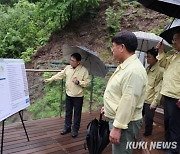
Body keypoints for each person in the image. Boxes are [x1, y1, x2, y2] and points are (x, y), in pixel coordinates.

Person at [101, 31, 148, 154]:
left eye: (113, 46)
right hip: (121, 120)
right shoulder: (126, 66)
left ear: (122, 47)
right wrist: (107, 106)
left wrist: (117, 128)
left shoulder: (133, 71)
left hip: (125, 124)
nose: (112, 49)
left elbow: (129, 101)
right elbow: (120, 93)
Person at [44, 53, 89, 138]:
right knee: (68, 112)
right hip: (69, 94)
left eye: (73, 60)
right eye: (70, 60)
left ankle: (75, 129)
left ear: (78, 62)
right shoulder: (68, 68)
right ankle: (67, 127)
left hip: (78, 96)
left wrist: (79, 82)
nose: (71, 62)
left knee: (77, 113)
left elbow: (86, 83)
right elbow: (60, 75)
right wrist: (50, 79)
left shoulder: (84, 70)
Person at [156, 29, 180, 154]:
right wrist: (160, 51)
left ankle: (175, 149)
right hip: (167, 94)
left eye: (176, 39)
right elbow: (163, 64)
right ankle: (168, 143)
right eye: (173, 39)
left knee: (175, 124)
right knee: (167, 121)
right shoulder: (173, 54)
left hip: (177, 96)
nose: (173, 42)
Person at [142, 47, 163, 137]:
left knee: (149, 119)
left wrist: (155, 102)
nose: (147, 59)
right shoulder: (148, 68)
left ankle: (148, 137)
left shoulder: (160, 70)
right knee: (138, 117)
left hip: (150, 100)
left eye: (149, 57)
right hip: (143, 98)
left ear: (155, 58)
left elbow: (159, 88)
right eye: (146, 57)